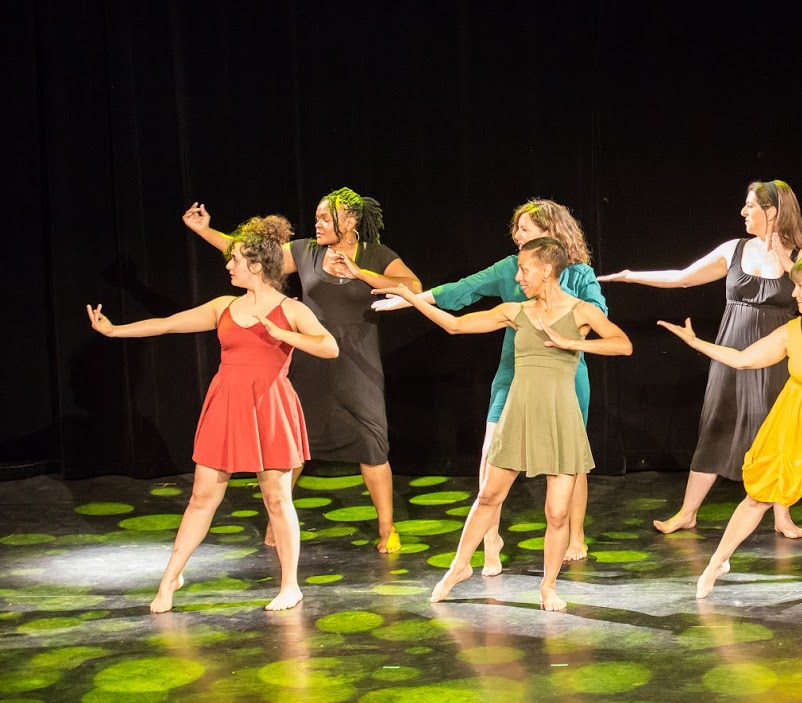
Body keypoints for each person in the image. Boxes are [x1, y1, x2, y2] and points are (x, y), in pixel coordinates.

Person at [87, 222, 339, 613]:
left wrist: (283, 334)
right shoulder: (224, 306)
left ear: (256, 265)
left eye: (236, 260)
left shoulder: (291, 310)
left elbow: (330, 348)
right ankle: (170, 578)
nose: (229, 266)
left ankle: (290, 585)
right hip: (226, 406)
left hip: (270, 406)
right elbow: (168, 323)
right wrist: (115, 331)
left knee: (276, 497)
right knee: (202, 496)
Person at [374, 237, 631, 611]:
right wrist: (413, 299)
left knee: (557, 512)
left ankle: (548, 587)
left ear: (546, 270)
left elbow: (622, 344)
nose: (519, 275)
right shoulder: (515, 311)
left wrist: (571, 344)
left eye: (525, 268)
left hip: (561, 416)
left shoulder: (581, 312)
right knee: (489, 496)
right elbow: (455, 326)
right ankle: (459, 566)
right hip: (519, 413)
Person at [182, 189, 421, 554]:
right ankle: (277, 520)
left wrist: (360, 273)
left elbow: (413, 287)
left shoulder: (376, 254)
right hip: (308, 361)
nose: (319, 224)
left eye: (326, 219)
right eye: (317, 218)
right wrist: (205, 231)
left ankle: (387, 529)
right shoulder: (307, 251)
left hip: (357, 366)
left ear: (351, 221)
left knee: (372, 445)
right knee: (292, 446)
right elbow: (252, 253)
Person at [659, 253, 802, 608]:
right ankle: (716, 563)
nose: (795, 294)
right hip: (792, 424)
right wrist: (696, 343)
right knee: (758, 496)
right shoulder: (794, 330)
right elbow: (744, 359)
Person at [600, 180, 802, 539]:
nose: (743, 212)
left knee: (776, 430)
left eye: (750, 206)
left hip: (777, 353)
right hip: (730, 351)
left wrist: (781, 256)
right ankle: (687, 512)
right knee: (718, 423)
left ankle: (782, 515)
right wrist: (630, 276)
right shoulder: (734, 249)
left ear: (772, 211)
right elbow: (683, 278)